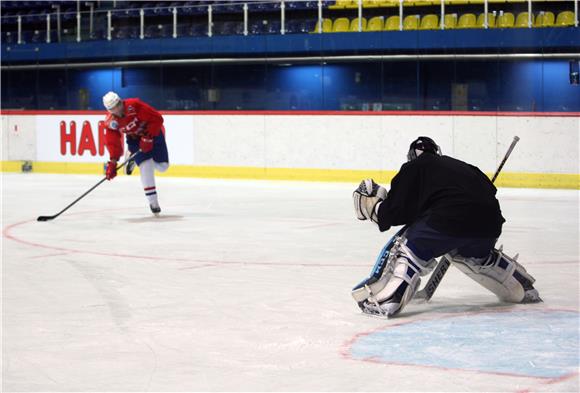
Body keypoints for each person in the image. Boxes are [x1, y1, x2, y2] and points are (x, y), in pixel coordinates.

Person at [352, 136, 541, 317]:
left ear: (411, 156)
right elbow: (489, 192)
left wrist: (377, 208)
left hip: (448, 221)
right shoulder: (465, 166)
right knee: (477, 256)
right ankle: (523, 285)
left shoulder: (414, 167)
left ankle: (389, 300)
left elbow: (396, 211)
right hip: (489, 225)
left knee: (410, 248)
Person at [102, 91, 169, 215]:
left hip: (154, 133)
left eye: (117, 104)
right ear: (109, 110)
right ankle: (153, 202)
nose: (117, 109)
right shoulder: (111, 122)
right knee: (146, 165)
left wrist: (148, 137)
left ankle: (132, 157)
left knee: (163, 167)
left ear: (120, 101)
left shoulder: (135, 105)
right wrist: (113, 162)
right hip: (135, 140)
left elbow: (157, 119)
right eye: (112, 108)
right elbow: (113, 142)